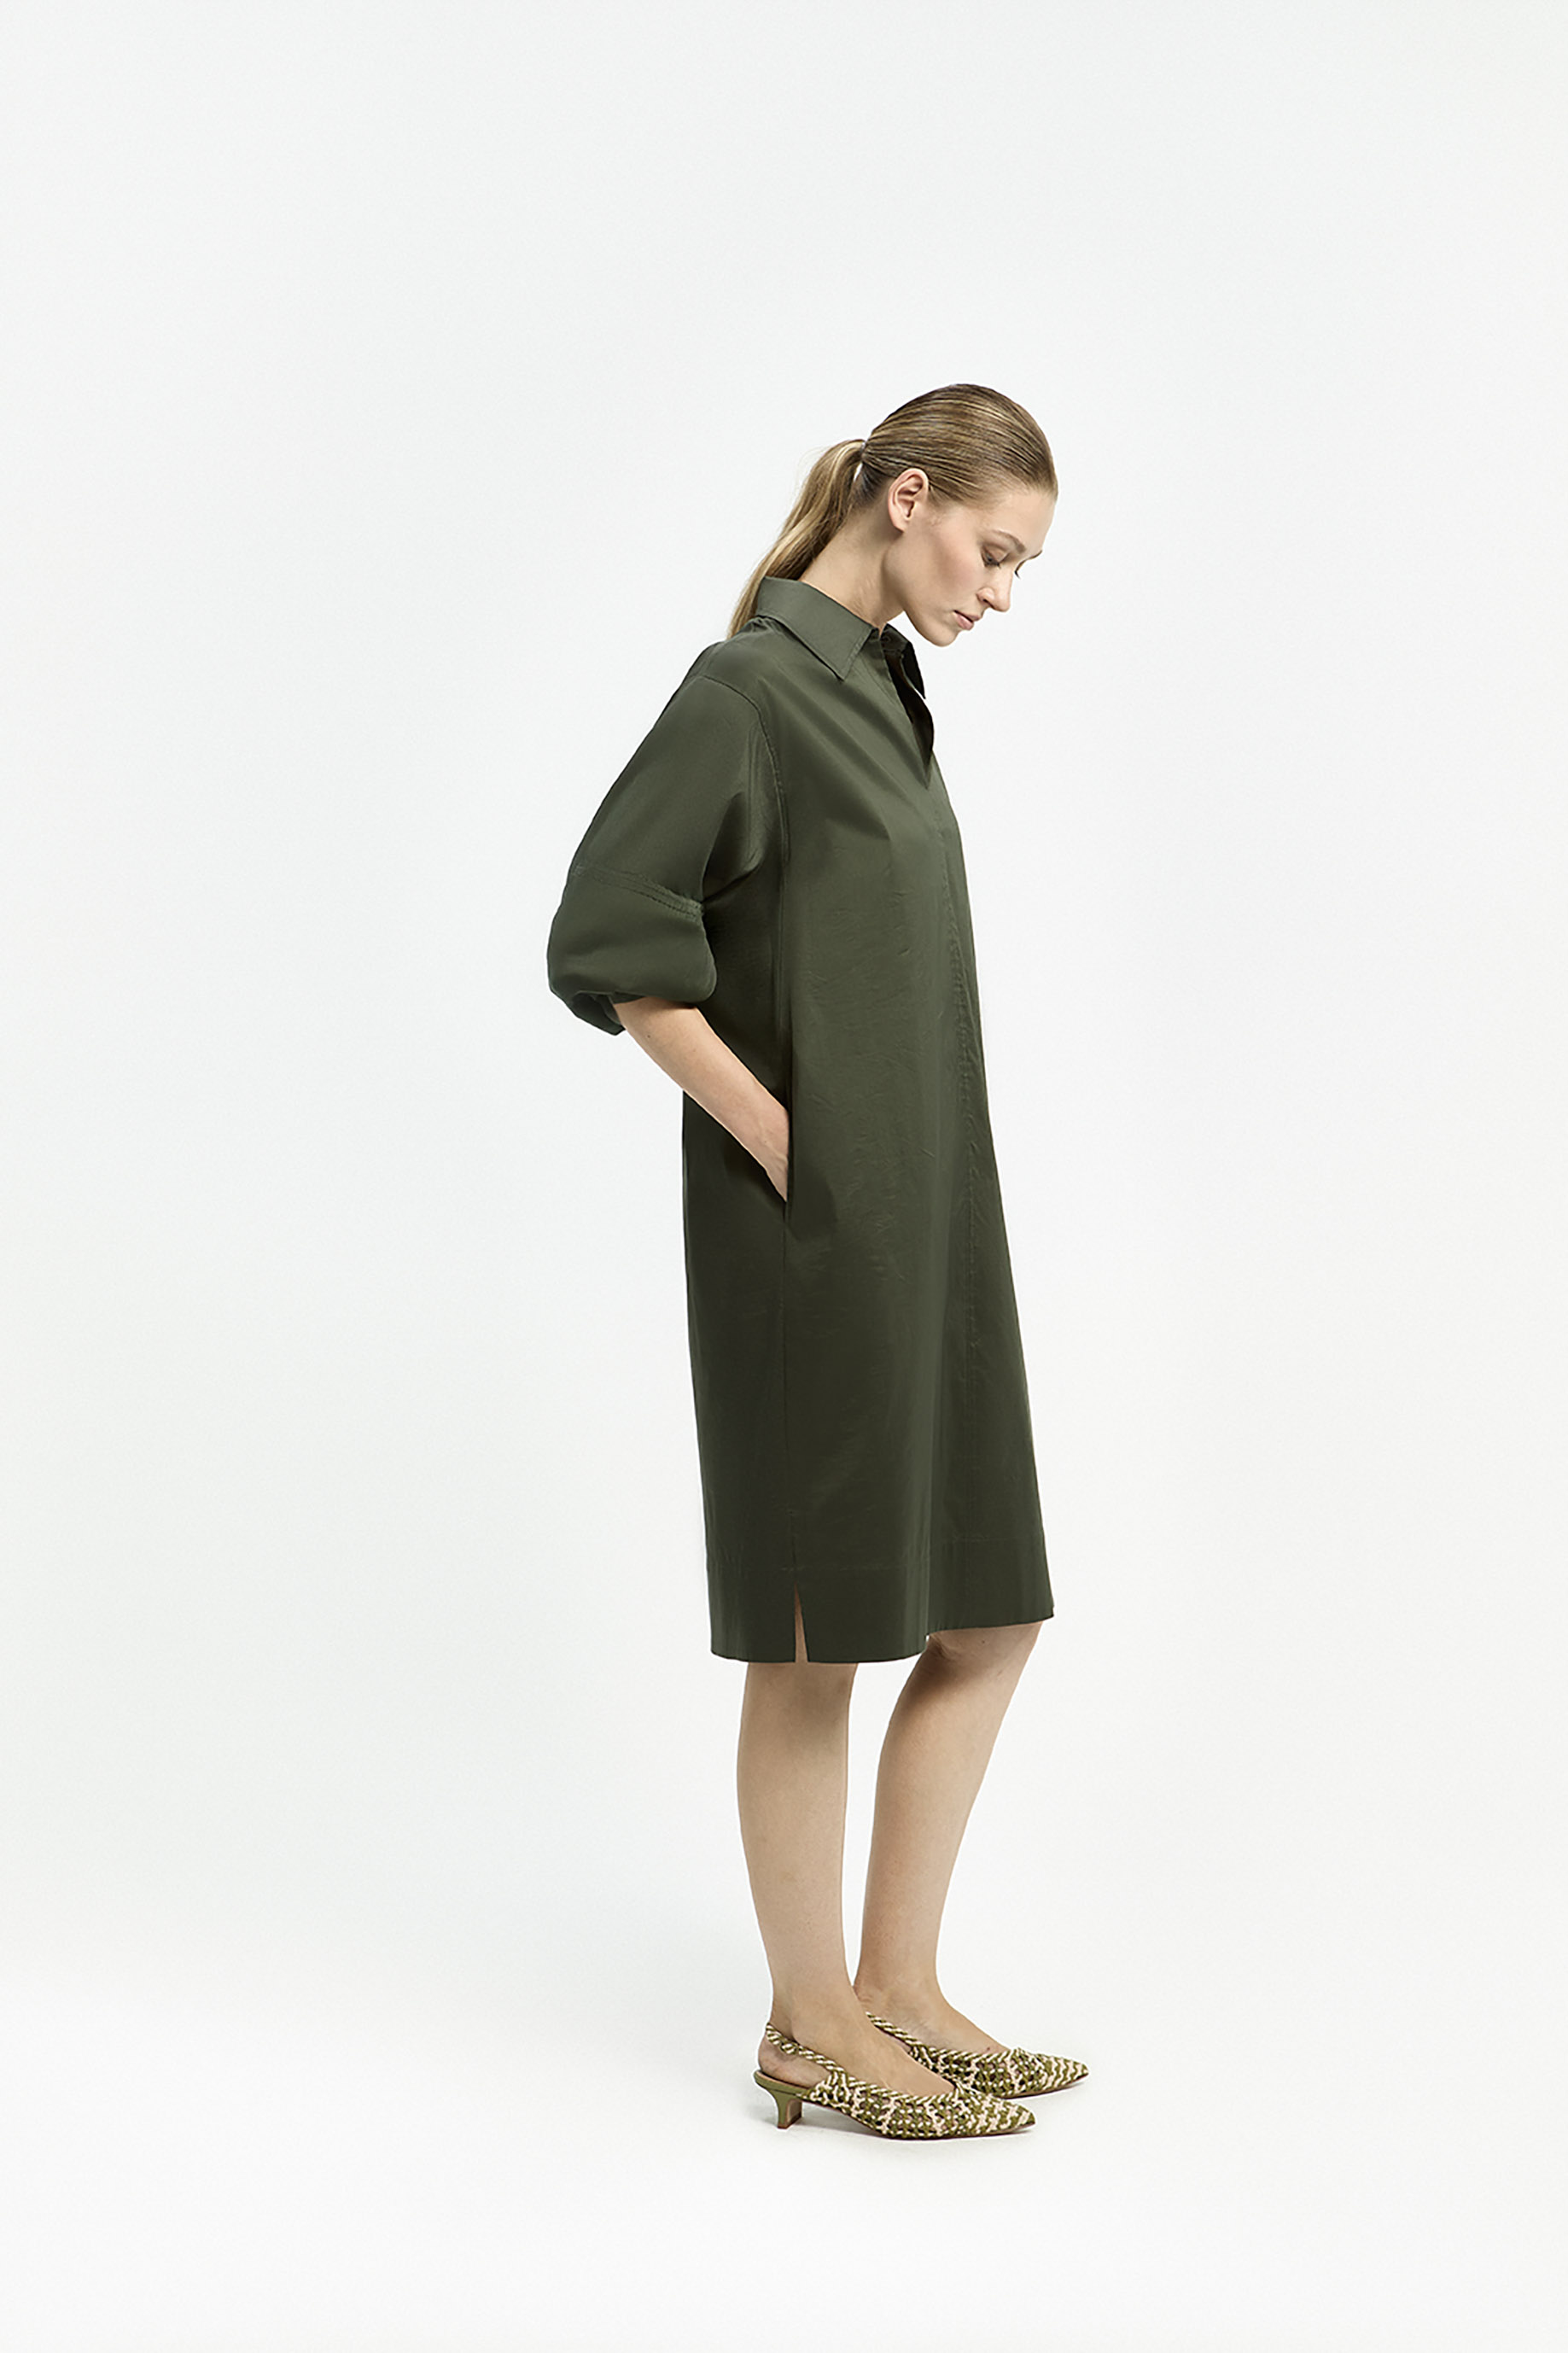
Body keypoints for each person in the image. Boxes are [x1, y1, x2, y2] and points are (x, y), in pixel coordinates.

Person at [545, 382, 1087, 2140]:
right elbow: (612, 937)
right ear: (907, 496)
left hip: (936, 1242)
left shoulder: (880, 689)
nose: (998, 592)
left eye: (1018, 566)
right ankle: (810, 2026)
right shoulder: (749, 691)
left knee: (988, 1613)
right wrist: (785, 1138)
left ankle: (898, 1990)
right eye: (993, 551)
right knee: (812, 1641)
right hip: (814, 1247)